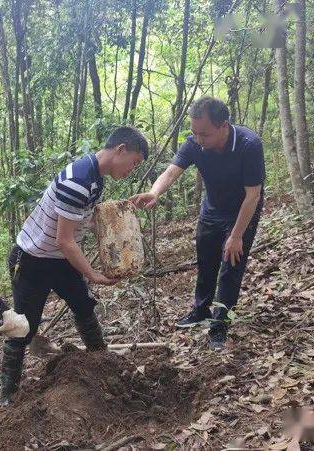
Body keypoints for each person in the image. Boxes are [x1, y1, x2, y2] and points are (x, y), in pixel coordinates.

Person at [0, 126, 149, 406]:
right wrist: (92, 274)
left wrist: (122, 217)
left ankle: (102, 363)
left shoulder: (95, 177)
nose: (133, 169)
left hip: (59, 259)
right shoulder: (79, 180)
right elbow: (66, 240)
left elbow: (84, 221)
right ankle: (8, 395)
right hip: (33, 259)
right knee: (24, 326)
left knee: (83, 305)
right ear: (120, 150)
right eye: (134, 162)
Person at [131, 97, 265, 350]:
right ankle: (200, 310)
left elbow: (253, 195)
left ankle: (220, 324)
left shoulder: (249, 144)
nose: (198, 140)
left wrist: (236, 236)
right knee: (206, 261)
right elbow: (171, 172)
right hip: (211, 209)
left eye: (204, 134)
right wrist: (155, 192)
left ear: (224, 125)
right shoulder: (194, 143)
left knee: (230, 265)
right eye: (194, 133)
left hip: (242, 212)